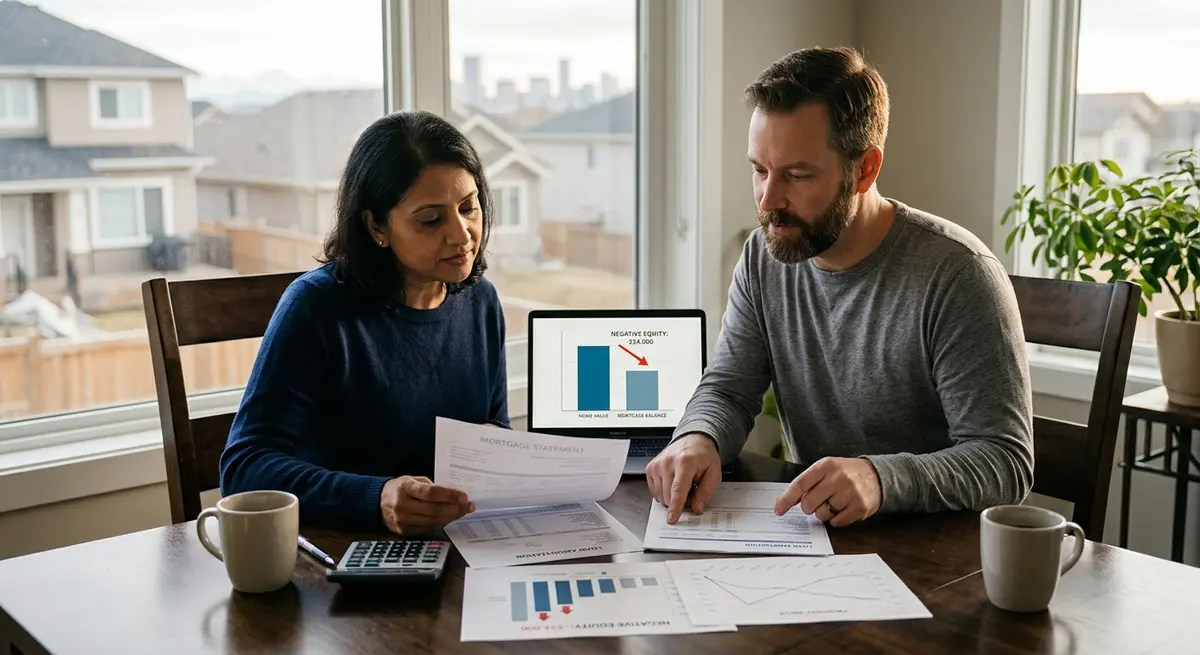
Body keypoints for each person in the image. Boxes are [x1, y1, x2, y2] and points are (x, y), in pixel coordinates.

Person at [646, 47, 1034, 528]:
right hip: (814, 540)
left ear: (865, 170)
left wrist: (879, 478)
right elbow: (729, 388)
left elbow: (1004, 461)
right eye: (759, 170)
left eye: (797, 175)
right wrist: (697, 437)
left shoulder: (958, 274)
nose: (769, 200)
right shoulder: (763, 257)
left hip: (932, 553)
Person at [219, 110, 509, 535]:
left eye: (469, 207)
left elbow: (493, 429)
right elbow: (244, 469)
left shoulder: (480, 300)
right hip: (343, 555)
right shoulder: (317, 307)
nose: (462, 234)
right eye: (431, 219)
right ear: (376, 226)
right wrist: (376, 498)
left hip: (452, 545)